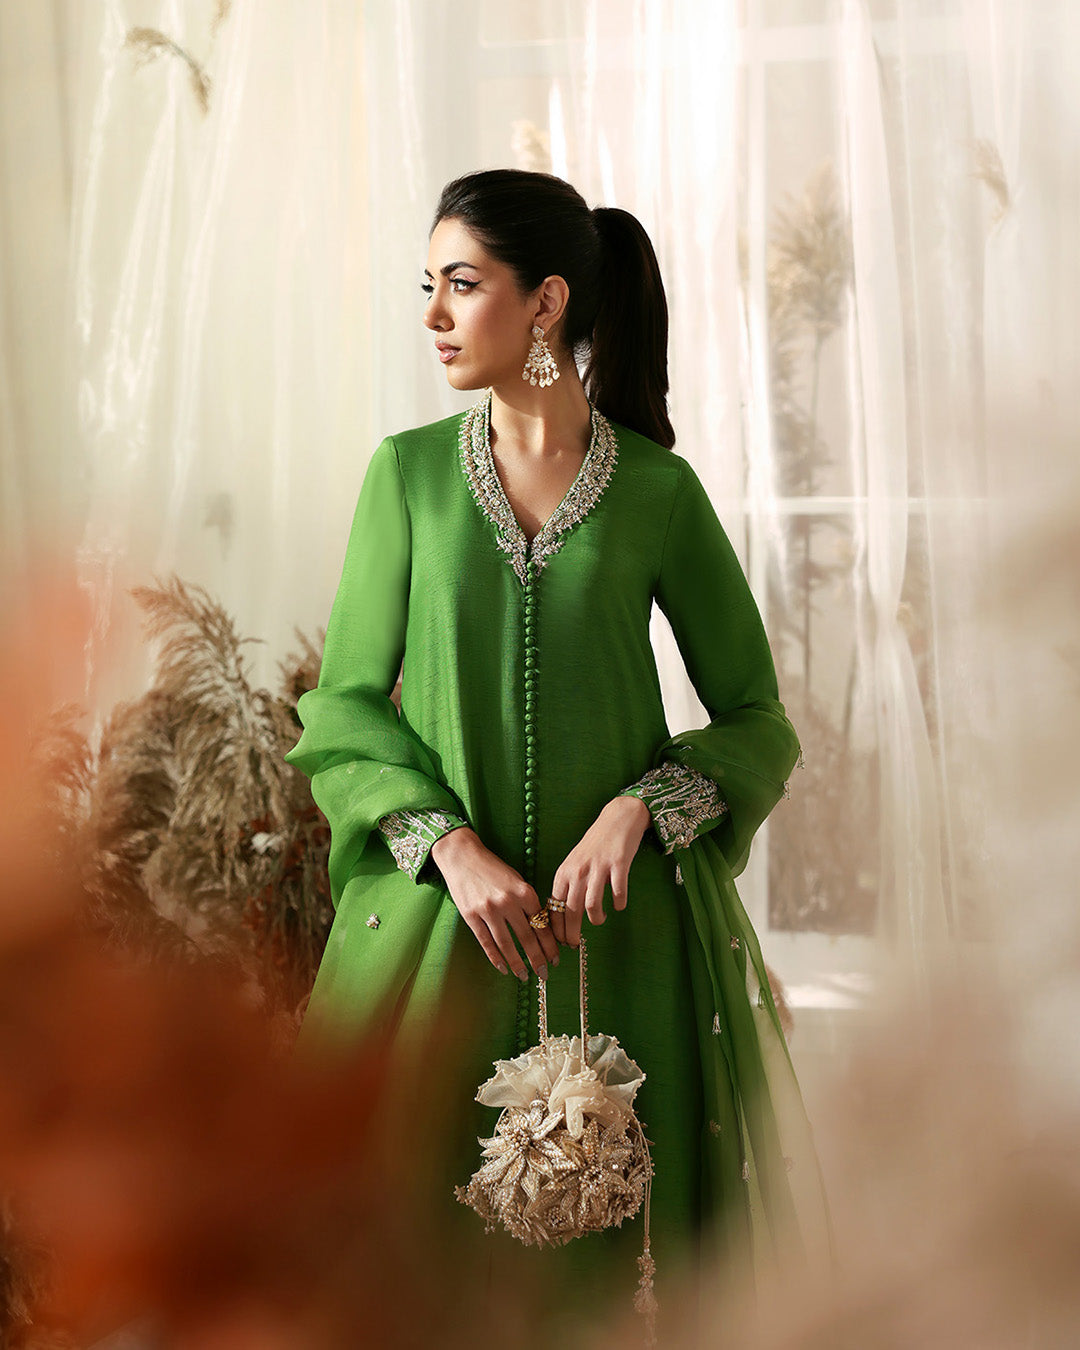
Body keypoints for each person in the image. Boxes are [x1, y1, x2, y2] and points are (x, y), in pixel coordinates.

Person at [285, 168, 833, 1337]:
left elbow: (756, 717)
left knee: (620, 1282)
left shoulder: (657, 494)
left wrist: (643, 808)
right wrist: (450, 847)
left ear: (545, 302)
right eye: (427, 288)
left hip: (624, 943)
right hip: (443, 938)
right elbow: (342, 707)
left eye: (462, 284)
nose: (435, 315)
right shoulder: (408, 478)